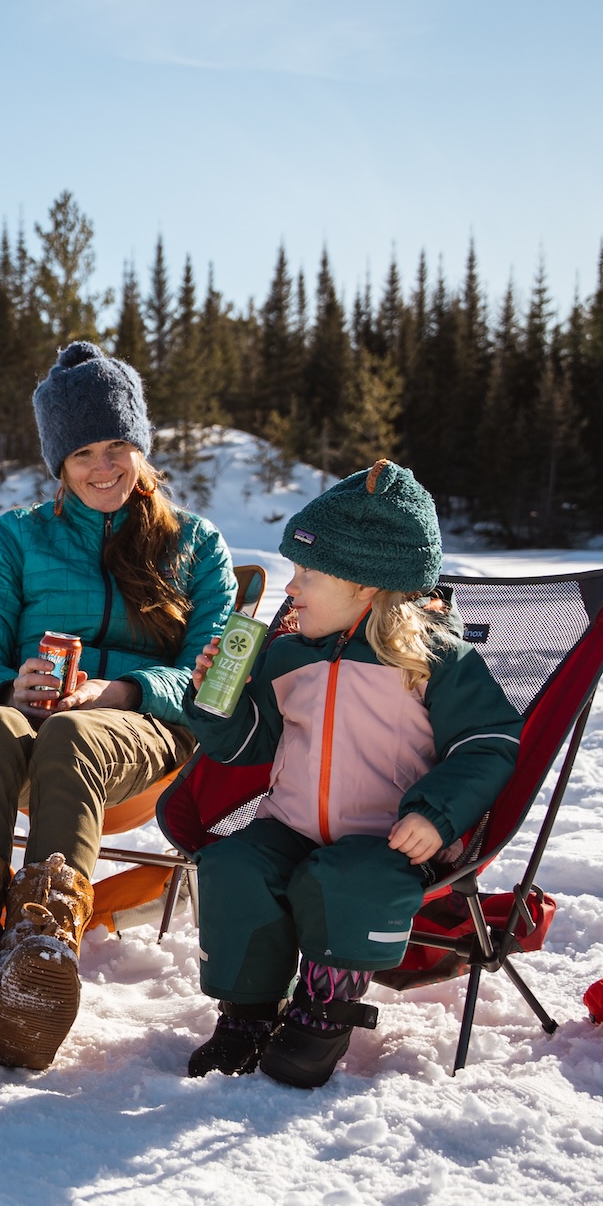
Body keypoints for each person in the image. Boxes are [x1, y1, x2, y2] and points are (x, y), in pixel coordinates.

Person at [0, 342, 236, 1071]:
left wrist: (119, 690)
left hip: (143, 739)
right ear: (57, 464)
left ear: (140, 445)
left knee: (72, 731)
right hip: (25, 730)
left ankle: (40, 955)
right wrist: (12, 687)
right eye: (83, 455)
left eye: (117, 447)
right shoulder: (16, 538)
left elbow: (217, 685)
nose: (104, 468)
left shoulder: (196, 547)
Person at [178, 460, 521, 1089]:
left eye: (308, 573)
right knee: (235, 867)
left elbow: (488, 743)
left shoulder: (436, 660)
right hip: (291, 824)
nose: (292, 589)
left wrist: (437, 813)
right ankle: (247, 1013)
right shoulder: (286, 654)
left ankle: (324, 1010)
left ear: (367, 584)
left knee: (348, 879)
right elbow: (251, 746)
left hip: (387, 838)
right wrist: (212, 702)